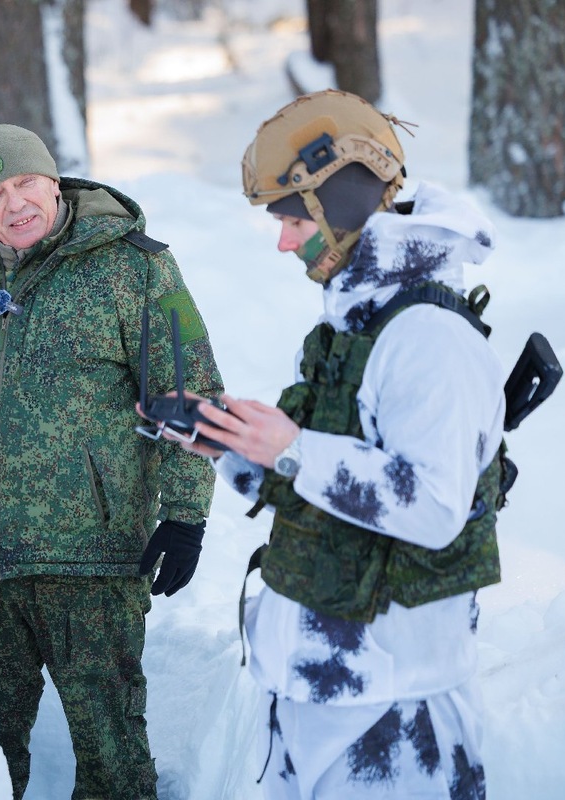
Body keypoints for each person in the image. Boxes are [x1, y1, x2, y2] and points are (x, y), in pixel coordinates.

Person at [168, 90, 504, 799]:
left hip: (397, 710)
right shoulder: (350, 329)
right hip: (323, 683)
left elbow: (437, 507)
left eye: (292, 220)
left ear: (341, 205)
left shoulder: (429, 340)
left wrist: (292, 448)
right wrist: (231, 447)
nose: (284, 241)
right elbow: (324, 486)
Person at [0, 124, 223, 799]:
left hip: (94, 562)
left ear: (55, 181)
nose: (15, 203)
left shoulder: (139, 266)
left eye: (25, 182)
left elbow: (191, 390)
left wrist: (187, 514)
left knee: (112, 756)